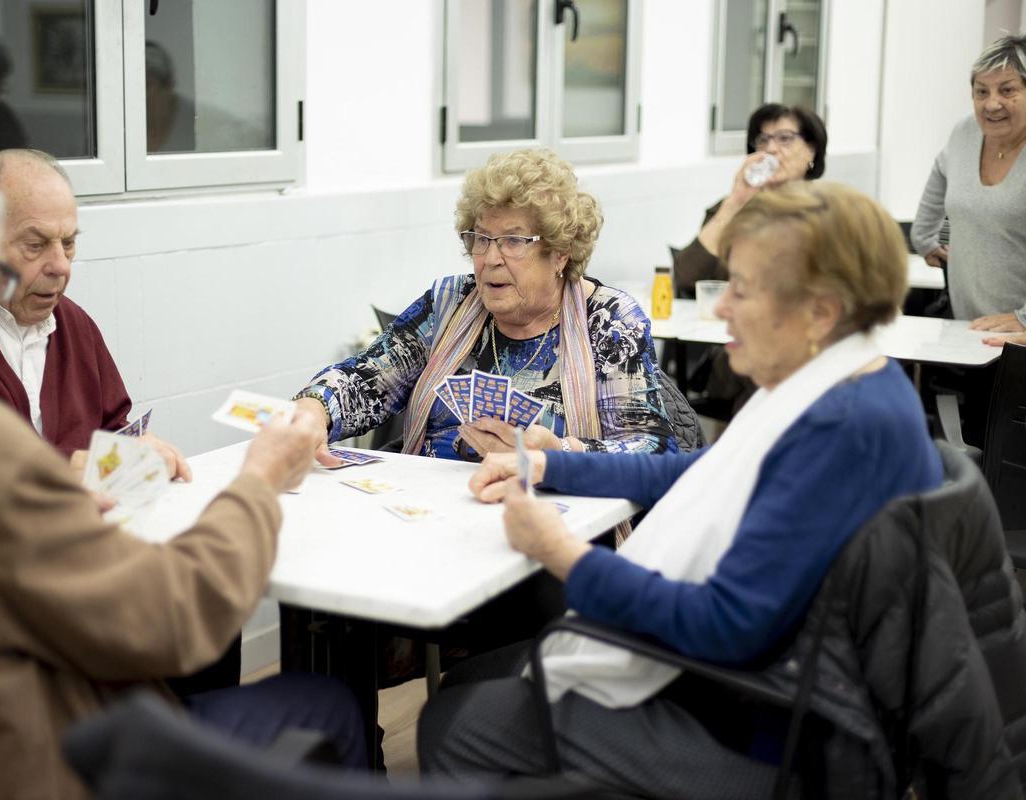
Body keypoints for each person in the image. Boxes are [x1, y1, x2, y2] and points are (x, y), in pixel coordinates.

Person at [0, 146, 364, 799]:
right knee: (328, 703)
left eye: (70, 245)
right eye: (14, 257)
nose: (56, 267)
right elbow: (174, 617)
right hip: (43, 761)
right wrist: (259, 480)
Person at [417, 181, 949, 797]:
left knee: (457, 721)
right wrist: (547, 466)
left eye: (743, 290)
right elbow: (693, 469)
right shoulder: (839, 384)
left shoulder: (841, 429)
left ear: (821, 312)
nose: (721, 309)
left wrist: (561, 553)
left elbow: (724, 624)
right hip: (776, 686)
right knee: (474, 683)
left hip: (781, 734)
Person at [294, 148, 675, 463]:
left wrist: (558, 453)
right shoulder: (450, 303)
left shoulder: (609, 321)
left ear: (559, 253)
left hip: (548, 519)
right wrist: (316, 410)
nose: (489, 258)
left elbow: (652, 450)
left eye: (512, 241)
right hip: (433, 512)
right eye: (481, 238)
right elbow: (366, 381)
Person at [0, 149, 190, 479]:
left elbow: (112, 429)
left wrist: (139, 453)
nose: (61, 265)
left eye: (68, 243)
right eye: (35, 245)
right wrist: (79, 466)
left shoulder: (73, 323)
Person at [673, 104, 828, 417]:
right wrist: (735, 202)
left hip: (806, 351)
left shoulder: (828, 213)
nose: (771, 149)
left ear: (811, 150)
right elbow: (687, 276)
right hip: (738, 352)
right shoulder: (734, 210)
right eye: (763, 140)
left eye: (785, 139)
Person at [911, 34, 1026, 337]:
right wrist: (924, 236)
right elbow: (941, 168)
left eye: (1007, 90)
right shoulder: (965, 132)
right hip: (968, 328)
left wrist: (1025, 320)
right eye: (981, 91)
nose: (992, 103)